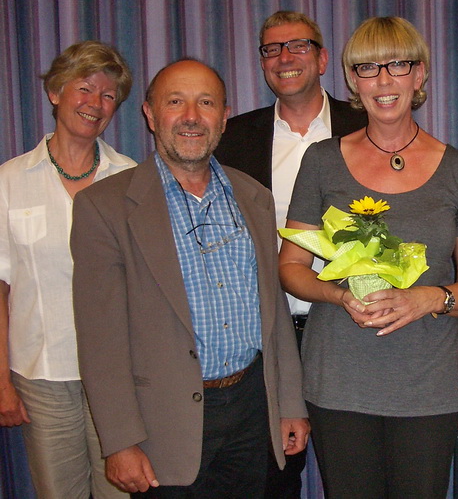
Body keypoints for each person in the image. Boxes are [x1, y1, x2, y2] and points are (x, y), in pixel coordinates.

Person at [71, 59, 309, 497]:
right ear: (149, 113)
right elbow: (100, 341)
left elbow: (272, 313)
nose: (192, 117)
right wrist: (120, 441)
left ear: (223, 116)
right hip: (163, 421)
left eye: (206, 103)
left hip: (252, 411)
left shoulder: (254, 197)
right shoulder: (103, 208)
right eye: (175, 102)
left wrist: (290, 403)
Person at [278, 16, 458, 499]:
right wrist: (338, 294)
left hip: (427, 385)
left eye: (398, 64)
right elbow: (290, 268)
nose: (384, 80)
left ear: (420, 75)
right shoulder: (323, 161)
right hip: (340, 380)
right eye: (368, 68)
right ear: (353, 81)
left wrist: (427, 299)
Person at [215, 12, 366, 496]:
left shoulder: (367, 126)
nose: (283, 58)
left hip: (350, 328)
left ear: (323, 59)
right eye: (271, 49)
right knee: (273, 475)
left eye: (297, 45)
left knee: (357, 471)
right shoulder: (233, 139)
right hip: (268, 334)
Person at [0, 40, 136, 499]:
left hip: (120, 376)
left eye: (108, 95)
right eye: (84, 89)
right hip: (42, 376)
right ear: (56, 92)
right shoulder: (8, 181)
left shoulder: (130, 178)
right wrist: (1, 382)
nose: (95, 104)